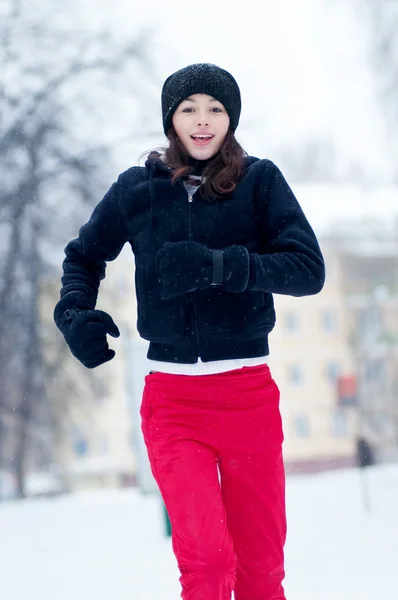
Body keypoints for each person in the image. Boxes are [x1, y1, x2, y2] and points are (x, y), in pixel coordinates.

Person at [54, 63, 325, 600]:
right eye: (189, 109)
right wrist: (73, 315)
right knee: (207, 564)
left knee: (261, 570)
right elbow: (83, 258)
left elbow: (307, 269)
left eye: (216, 109)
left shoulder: (259, 182)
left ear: (231, 118)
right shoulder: (138, 191)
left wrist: (223, 266)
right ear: (170, 120)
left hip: (248, 396)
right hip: (174, 404)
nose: (203, 122)